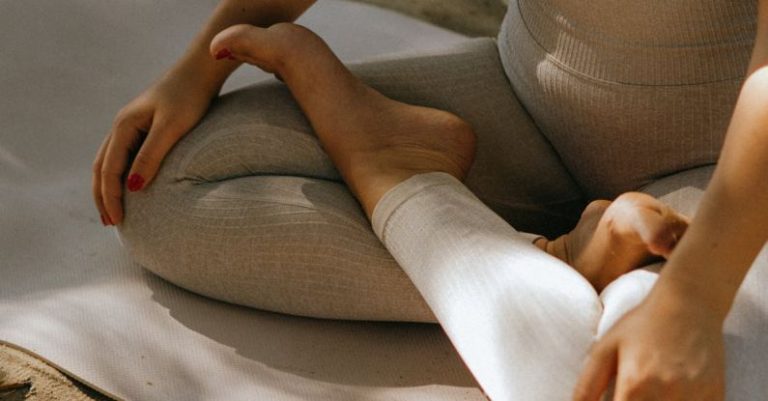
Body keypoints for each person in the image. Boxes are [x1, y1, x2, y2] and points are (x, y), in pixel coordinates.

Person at [92, 1, 768, 400]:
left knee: (631, 385)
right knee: (164, 188)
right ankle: (561, 255)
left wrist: (692, 300)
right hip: (524, 106)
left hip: (722, 179)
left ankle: (393, 176)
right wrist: (197, 68)